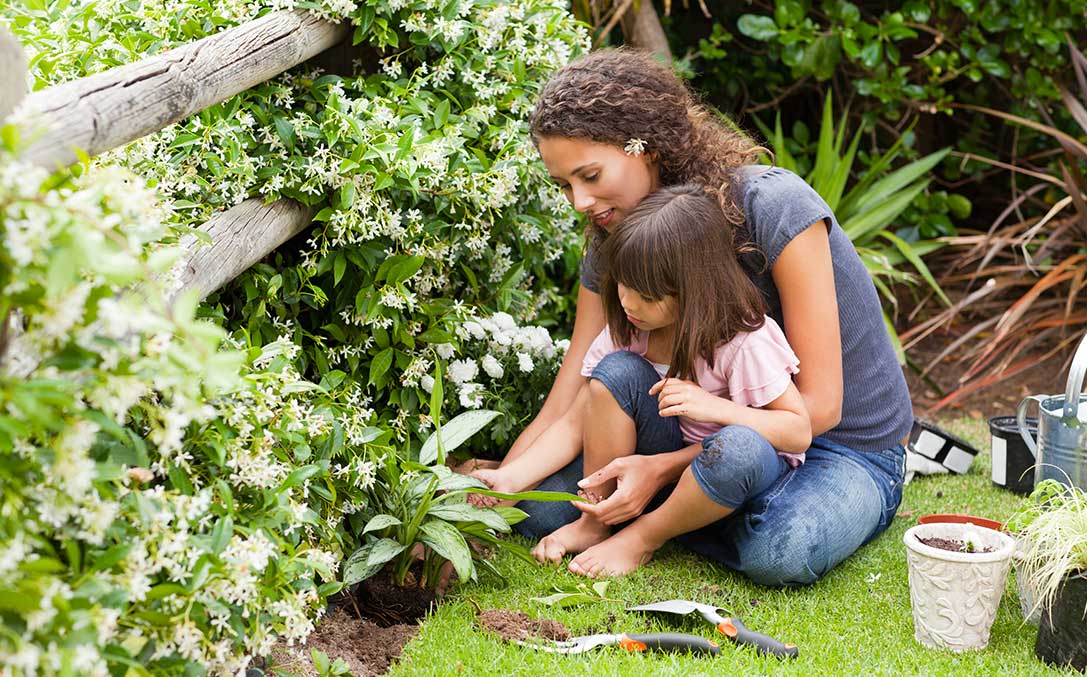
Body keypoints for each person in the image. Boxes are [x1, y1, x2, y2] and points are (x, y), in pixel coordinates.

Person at [472, 48, 911, 585]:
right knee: (540, 514)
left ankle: (665, 520)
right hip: (697, 427)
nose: (579, 201)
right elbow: (574, 392)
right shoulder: (613, 241)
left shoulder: (772, 208)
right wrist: (500, 495)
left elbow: (816, 411)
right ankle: (697, 510)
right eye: (564, 185)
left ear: (646, 146)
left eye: (589, 175)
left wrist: (658, 468)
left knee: (782, 550)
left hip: (835, 447)